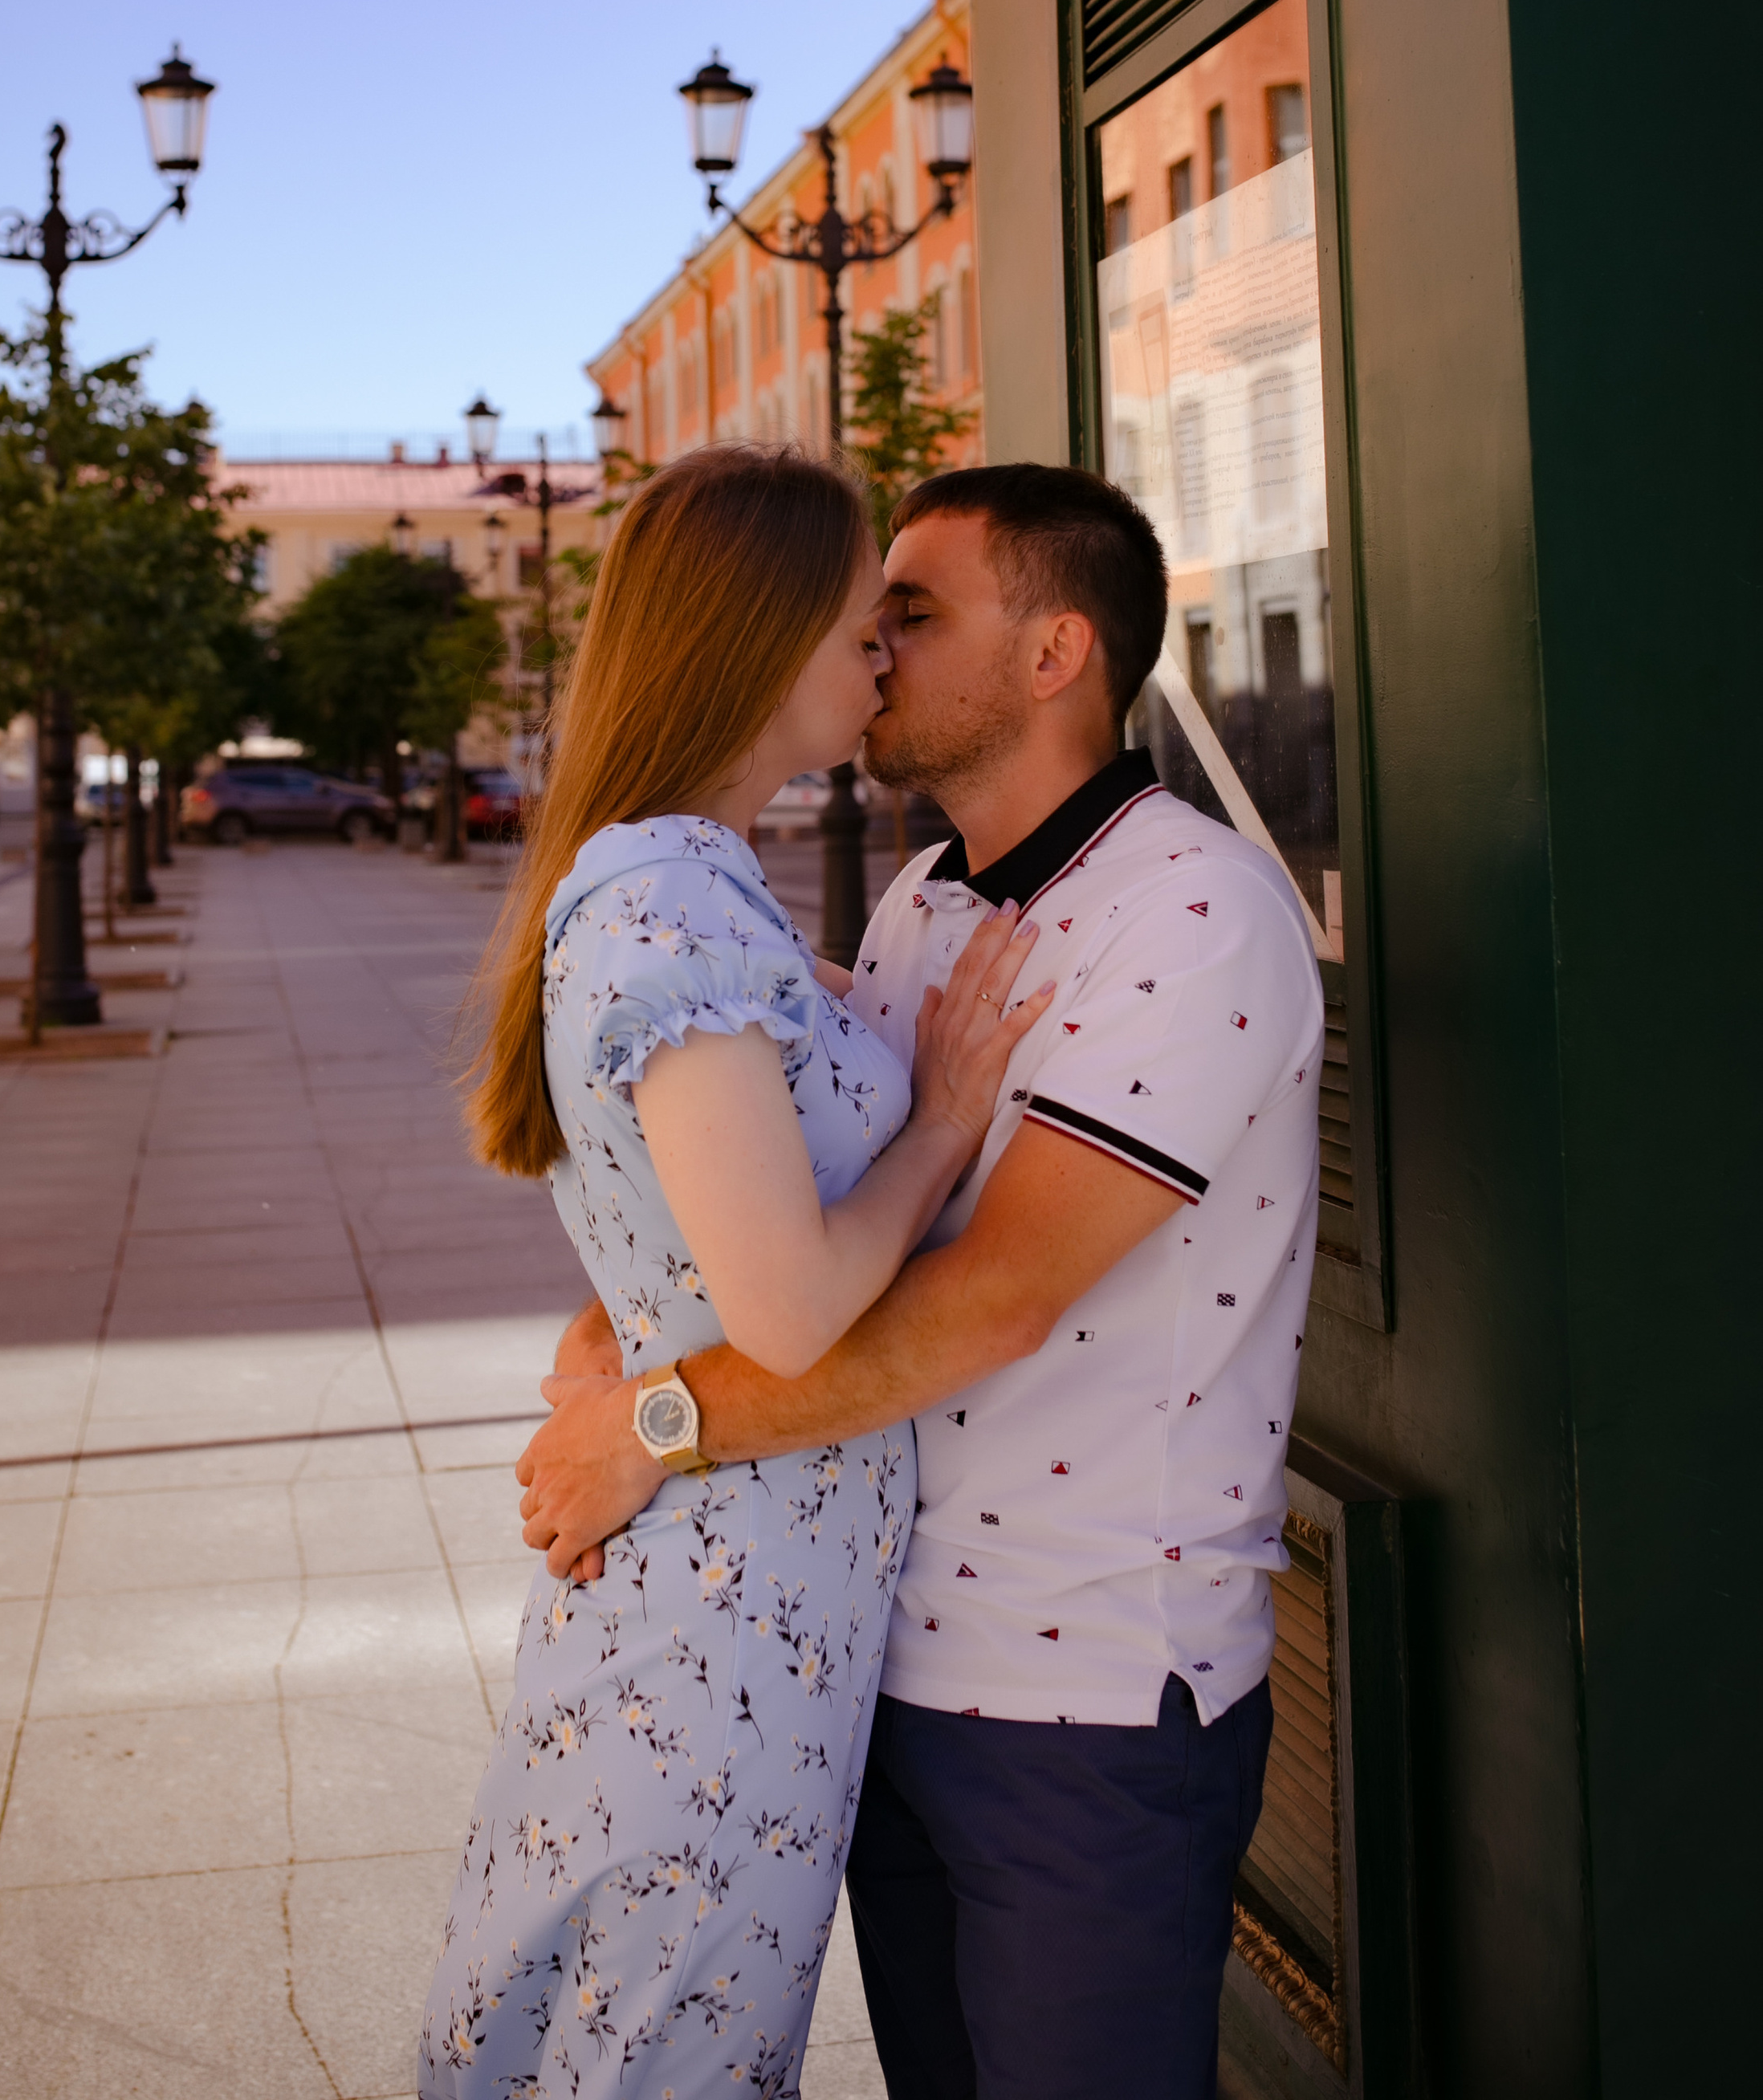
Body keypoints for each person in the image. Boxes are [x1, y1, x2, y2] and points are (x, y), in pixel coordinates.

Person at [516, 463, 1326, 2100]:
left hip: (1077, 1693)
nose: (871, 645)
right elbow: (783, 1205)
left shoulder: (1188, 912)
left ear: (1051, 658)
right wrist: (617, 1318)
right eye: (865, 614)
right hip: (877, 1661)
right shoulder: (923, 898)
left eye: (912, 611)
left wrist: (652, 1427)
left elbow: (992, 1296)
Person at [420, 446, 1053, 2100]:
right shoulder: (672, 918)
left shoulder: (686, 893)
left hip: (741, 1591)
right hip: (726, 1620)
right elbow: (779, 1308)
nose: (881, 664)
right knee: (663, 2051)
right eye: (861, 629)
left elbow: (677, 1235)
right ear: (763, 643)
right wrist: (944, 1115)